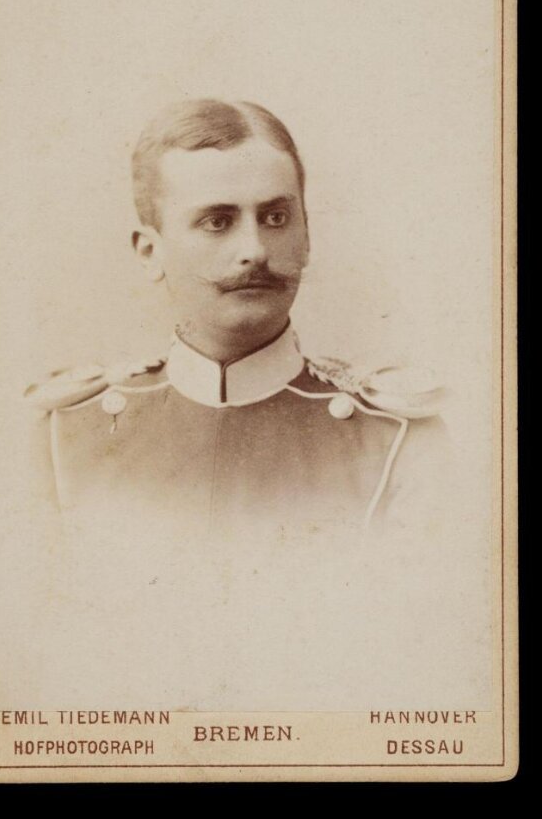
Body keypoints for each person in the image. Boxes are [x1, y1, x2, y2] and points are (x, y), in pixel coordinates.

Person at [25, 99, 448, 538]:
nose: (256, 250)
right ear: (151, 252)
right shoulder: (62, 441)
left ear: (306, 238)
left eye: (276, 218)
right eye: (217, 222)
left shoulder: (397, 441)